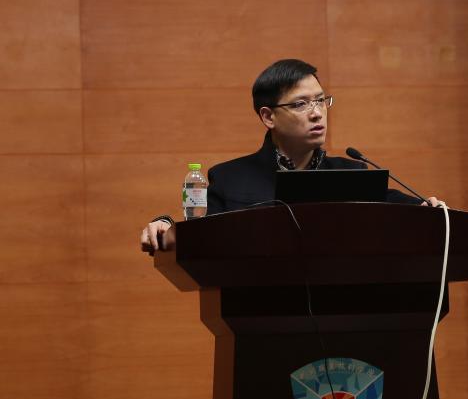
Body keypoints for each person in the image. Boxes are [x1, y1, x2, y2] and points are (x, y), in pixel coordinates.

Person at [141, 59, 443, 254]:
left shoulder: (352, 174)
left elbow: (399, 207)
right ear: (268, 116)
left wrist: (426, 209)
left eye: (321, 101)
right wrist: (164, 224)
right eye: (300, 104)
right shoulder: (229, 178)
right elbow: (198, 232)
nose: (317, 113)